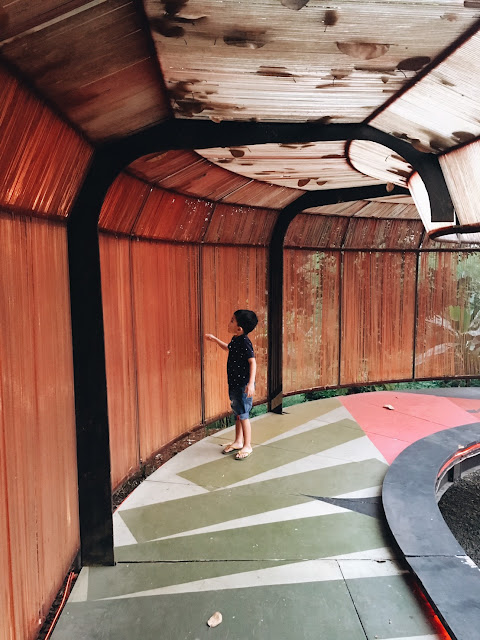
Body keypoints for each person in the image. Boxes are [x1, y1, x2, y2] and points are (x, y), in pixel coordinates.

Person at [205, 309, 258, 460]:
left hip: (243, 385)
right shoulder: (236, 339)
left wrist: (250, 384)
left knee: (243, 415)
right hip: (235, 383)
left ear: (239, 328)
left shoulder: (245, 342)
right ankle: (238, 441)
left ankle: (247, 445)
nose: (229, 323)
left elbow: (252, 362)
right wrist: (215, 340)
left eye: (232, 321)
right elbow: (229, 348)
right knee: (238, 413)